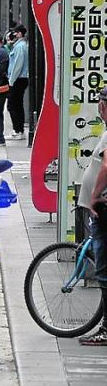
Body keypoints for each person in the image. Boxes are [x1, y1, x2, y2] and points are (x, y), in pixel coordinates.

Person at [79, 87, 107, 345]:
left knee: (103, 268)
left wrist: (95, 195)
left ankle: (106, 328)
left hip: (103, 209)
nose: (100, 108)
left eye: (101, 103)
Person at [5, 26, 29, 140]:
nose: (13, 35)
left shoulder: (20, 47)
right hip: (20, 79)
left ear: (19, 34)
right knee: (18, 105)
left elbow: (17, 65)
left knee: (12, 105)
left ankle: (17, 130)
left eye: (14, 33)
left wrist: (11, 81)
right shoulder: (19, 46)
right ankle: (20, 131)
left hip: (18, 79)